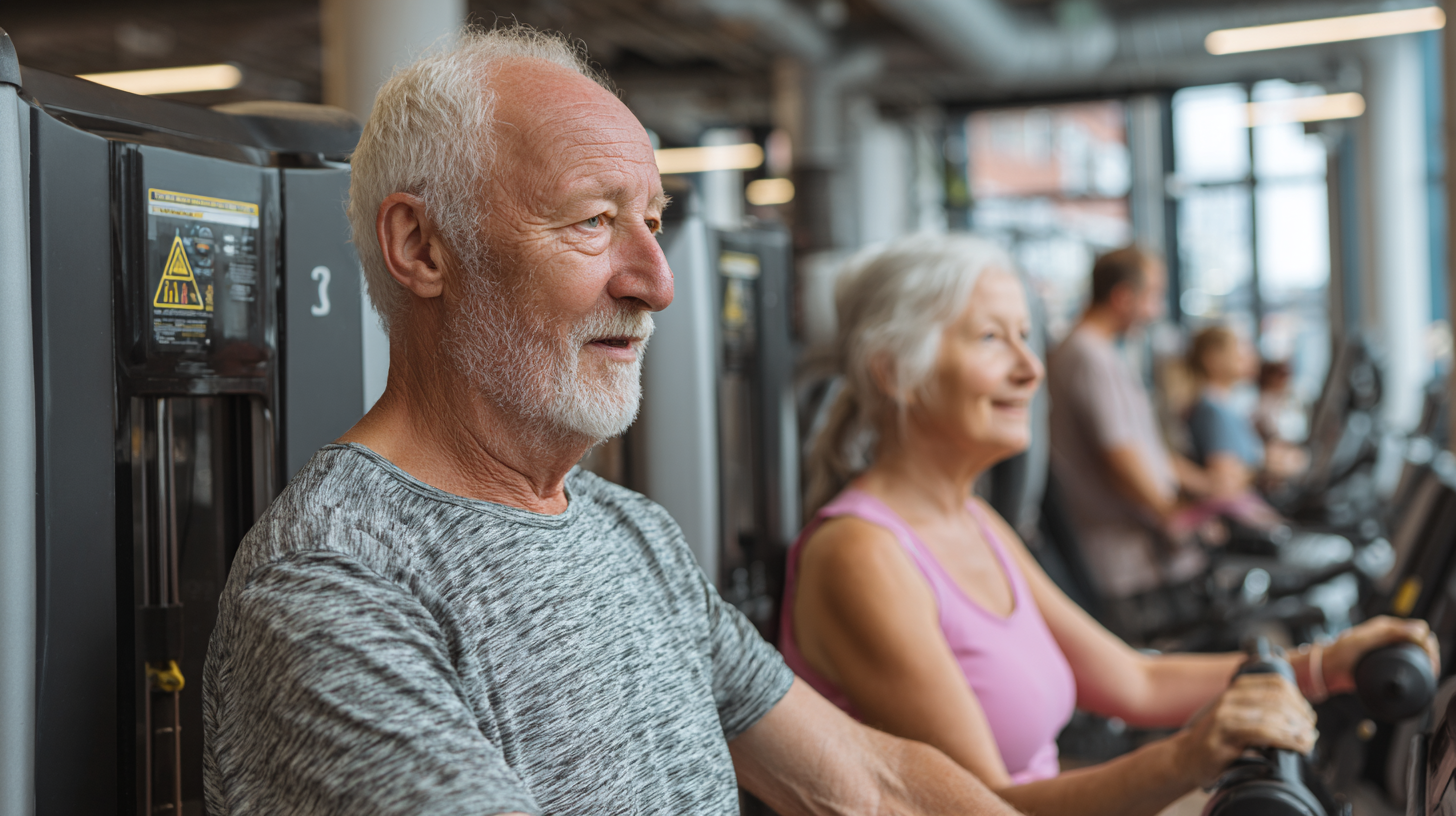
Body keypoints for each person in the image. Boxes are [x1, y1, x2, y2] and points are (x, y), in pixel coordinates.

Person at [202, 26, 1025, 816]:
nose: (657, 282)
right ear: (422, 247)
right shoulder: (332, 583)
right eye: (593, 220)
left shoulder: (634, 534)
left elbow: (871, 786)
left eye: (653, 223)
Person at [782, 234, 1440, 816]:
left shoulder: (973, 520)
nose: (1030, 367)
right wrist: (1185, 760)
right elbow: (984, 806)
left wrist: (1327, 667)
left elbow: (1135, 680)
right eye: (991, 338)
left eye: (1024, 336)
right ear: (895, 371)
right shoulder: (859, 555)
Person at [1046, 246, 1206, 625]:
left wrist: (1205, 487)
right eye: (1153, 296)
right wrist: (1174, 516)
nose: (1156, 310)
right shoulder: (1087, 356)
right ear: (1122, 297)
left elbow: (1145, 447)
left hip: (1134, 556)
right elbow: (1119, 454)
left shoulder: (1099, 353)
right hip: (1122, 563)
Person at [1185, 326, 1306, 498]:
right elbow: (1224, 478)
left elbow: (1243, 459)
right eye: (1240, 346)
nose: (1250, 354)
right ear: (1212, 358)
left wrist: (1270, 458)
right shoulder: (1212, 412)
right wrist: (1271, 467)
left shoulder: (1227, 406)